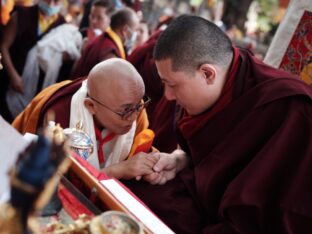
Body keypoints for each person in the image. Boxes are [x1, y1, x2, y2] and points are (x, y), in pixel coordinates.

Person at [136, 15, 312, 233]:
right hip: (206, 201)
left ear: (208, 73)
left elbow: (284, 211)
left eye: (172, 85)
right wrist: (181, 158)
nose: (168, 96)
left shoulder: (291, 108)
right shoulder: (227, 77)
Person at [13, 58, 157, 180]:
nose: (133, 118)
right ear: (91, 106)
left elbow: (139, 153)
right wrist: (115, 171)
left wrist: (153, 165)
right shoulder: (57, 114)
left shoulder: (136, 111)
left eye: (139, 105)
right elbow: (47, 181)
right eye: (125, 111)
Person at [0, 0, 66, 122]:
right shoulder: (22, 14)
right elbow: (3, 46)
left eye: (56, 1)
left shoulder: (62, 26)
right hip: (10, 81)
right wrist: (13, 75)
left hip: (36, 90)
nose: (51, 4)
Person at [71, 7, 140, 79]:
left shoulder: (104, 39)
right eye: (136, 30)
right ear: (125, 30)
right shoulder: (110, 53)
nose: (137, 35)